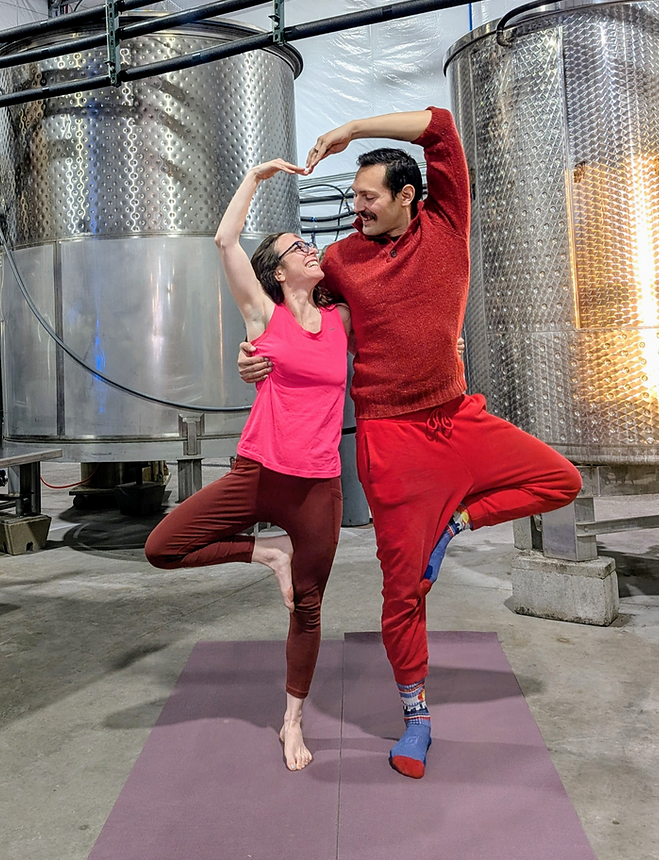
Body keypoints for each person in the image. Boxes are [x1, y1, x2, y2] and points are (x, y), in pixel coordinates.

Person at [240, 109, 582, 779]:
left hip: (459, 419)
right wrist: (254, 359)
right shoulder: (340, 259)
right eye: (355, 197)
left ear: (407, 197)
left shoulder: (448, 224)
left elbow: (443, 126)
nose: (356, 207)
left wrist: (350, 132)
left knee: (560, 479)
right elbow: (291, 315)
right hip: (390, 440)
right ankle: (417, 716)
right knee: (402, 594)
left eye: (369, 196)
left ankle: (454, 523)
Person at [145, 158, 350, 772]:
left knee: (308, 606)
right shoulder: (264, 316)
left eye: (309, 244)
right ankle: (264, 554)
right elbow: (224, 240)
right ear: (278, 270)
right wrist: (257, 177)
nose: (310, 251)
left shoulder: (341, 320)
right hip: (257, 473)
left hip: (319, 484)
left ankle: (291, 719)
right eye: (297, 248)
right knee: (163, 547)